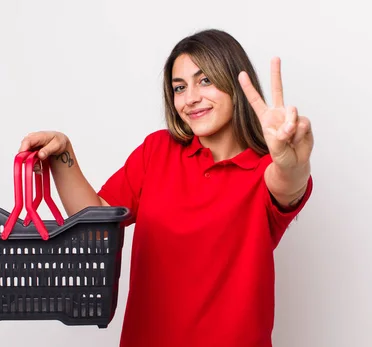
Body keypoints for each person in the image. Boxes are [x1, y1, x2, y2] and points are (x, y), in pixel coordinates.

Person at [19, 29, 314, 347]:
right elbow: (95, 224)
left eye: (205, 81)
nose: (190, 98)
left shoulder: (263, 171)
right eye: (179, 87)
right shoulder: (156, 151)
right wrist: (64, 154)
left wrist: (289, 161)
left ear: (236, 84)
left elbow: (289, 181)